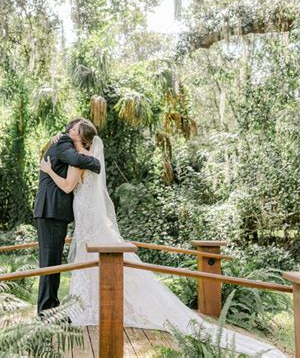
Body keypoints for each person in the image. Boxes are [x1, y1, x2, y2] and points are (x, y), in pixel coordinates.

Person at [40, 135, 286, 358]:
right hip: (84, 219)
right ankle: (75, 305)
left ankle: (82, 306)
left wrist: (49, 170)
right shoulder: (85, 157)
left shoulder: (79, 159)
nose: (67, 136)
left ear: (80, 138)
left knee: (89, 259)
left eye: (72, 133)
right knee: (85, 261)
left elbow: (68, 186)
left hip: (86, 220)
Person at [33, 117, 100, 317]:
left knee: (52, 262)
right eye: (73, 127)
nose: (72, 129)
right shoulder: (63, 141)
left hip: (53, 211)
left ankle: (51, 307)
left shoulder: (64, 142)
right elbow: (78, 160)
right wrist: (97, 162)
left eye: (77, 128)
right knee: (49, 262)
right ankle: (46, 312)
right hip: (50, 210)